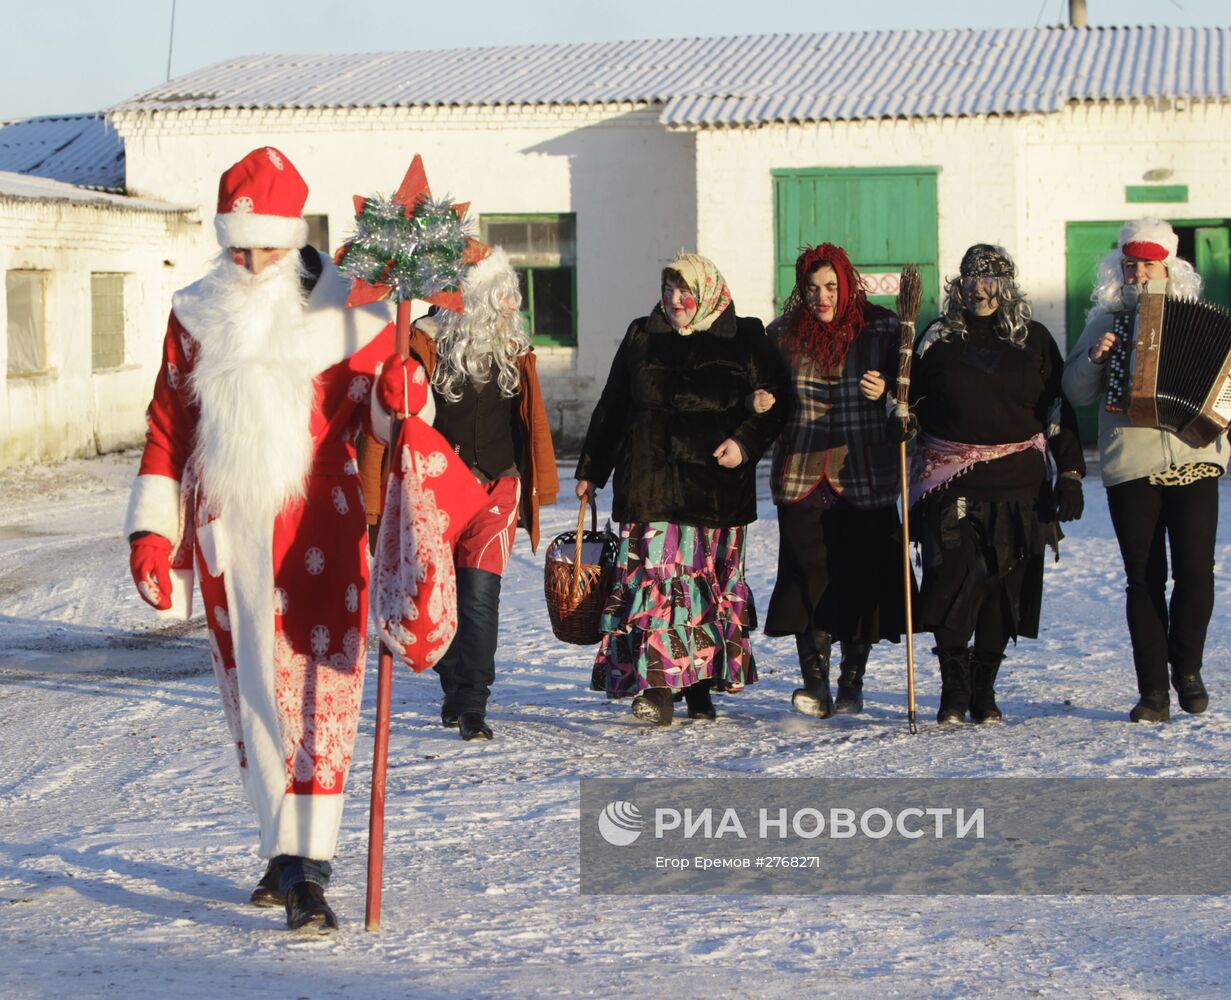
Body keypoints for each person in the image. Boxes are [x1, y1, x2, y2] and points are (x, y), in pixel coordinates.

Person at [125, 147, 406, 933]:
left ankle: (307, 868)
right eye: (238, 247)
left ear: (293, 237)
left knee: (324, 691)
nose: (249, 262)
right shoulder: (193, 312)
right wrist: (153, 530)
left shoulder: (357, 313)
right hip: (231, 534)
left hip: (323, 518)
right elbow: (168, 425)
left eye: (265, 248)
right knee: (254, 698)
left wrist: (396, 396)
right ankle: (285, 855)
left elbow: (388, 426)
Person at [1062, 218, 1231, 722]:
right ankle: (1152, 691)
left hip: (1196, 457)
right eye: (1129, 266)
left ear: (1168, 267)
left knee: (1197, 574)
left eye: (1147, 266)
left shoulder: (1200, 317)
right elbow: (1074, 391)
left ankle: (1188, 670)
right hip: (1131, 465)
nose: (1137, 276)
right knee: (1143, 580)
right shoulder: (1106, 322)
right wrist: (1095, 357)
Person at [574, 253, 787, 725]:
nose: (674, 300)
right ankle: (658, 688)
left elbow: (777, 403)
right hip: (649, 482)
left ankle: (699, 685)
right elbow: (612, 404)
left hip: (714, 488)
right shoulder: (642, 335)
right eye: (668, 289)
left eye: (683, 290)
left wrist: (745, 439)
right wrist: (593, 468)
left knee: (702, 593)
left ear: (706, 290)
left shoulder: (745, 336)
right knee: (653, 590)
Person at [358, 248, 559, 741]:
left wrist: (541, 482)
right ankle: (453, 685)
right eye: (503, 294)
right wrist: (374, 500)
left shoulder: (516, 350)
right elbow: (384, 421)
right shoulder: (421, 344)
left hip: (498, 484)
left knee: (479, 597)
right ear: (472, 299)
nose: (513, 303)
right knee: (438, 590)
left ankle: (473, 703)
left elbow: (530, 423)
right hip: (437, 486)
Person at [909, 244, 1086, 724]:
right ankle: (954, 689)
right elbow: (910, 402)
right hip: (949, 483)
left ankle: (983, 691)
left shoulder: (1034, 340)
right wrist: (897, 418)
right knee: (951, 581)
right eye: (972, 280)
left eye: (992, 281)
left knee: (1001, 590)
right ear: (958, 285)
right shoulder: (935, 340)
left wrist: (1069, 472)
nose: (981, 291)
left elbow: (1056, 407)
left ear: (1008, 287)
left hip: (1018, 489)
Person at [760, 243, 913, 719]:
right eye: (812, 289)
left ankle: (852, 681)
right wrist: (762, 402)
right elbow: (770, 397)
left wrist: (888, 391)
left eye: (830, 287)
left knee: (860, 580)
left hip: (864, 473)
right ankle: (816, 686)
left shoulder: (886, 329)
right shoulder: (782, 334)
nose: (822, 298)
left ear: (846, 284)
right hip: (803, 477)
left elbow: (912, 399)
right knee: (809, 580)